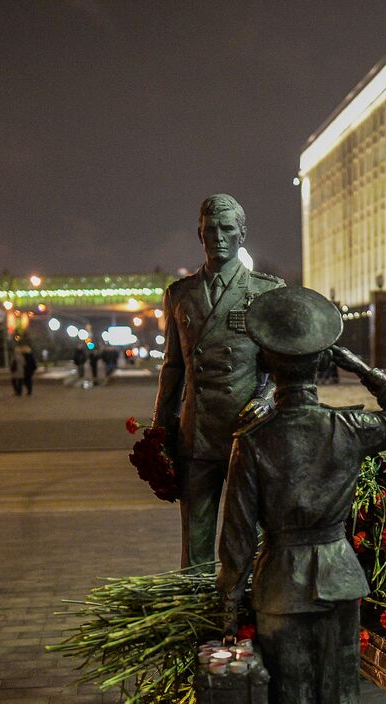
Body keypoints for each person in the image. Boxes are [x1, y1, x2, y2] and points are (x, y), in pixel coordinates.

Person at [218, 286, 386, 704]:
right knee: (340, 703)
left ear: (268, 363)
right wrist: (360, 366)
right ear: (323, 363)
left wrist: (227, 600)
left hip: (279, 586)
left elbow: (238, 536)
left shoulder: (253, 440)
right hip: (338, 576)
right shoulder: (349, 427)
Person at [153, 193, 285, 567]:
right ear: (200, 234)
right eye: (210, 229)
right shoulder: (180, 294)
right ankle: (194, 615)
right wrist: (160, 428)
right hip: (196, 435)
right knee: (195, 541)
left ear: (242, 234)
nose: (219, 237)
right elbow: (172, 367)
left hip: (249, 430)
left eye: (228, 229)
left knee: (255, 536)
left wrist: (267, 399)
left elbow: (283, 368)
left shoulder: (265, 291)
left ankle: (253, 615)